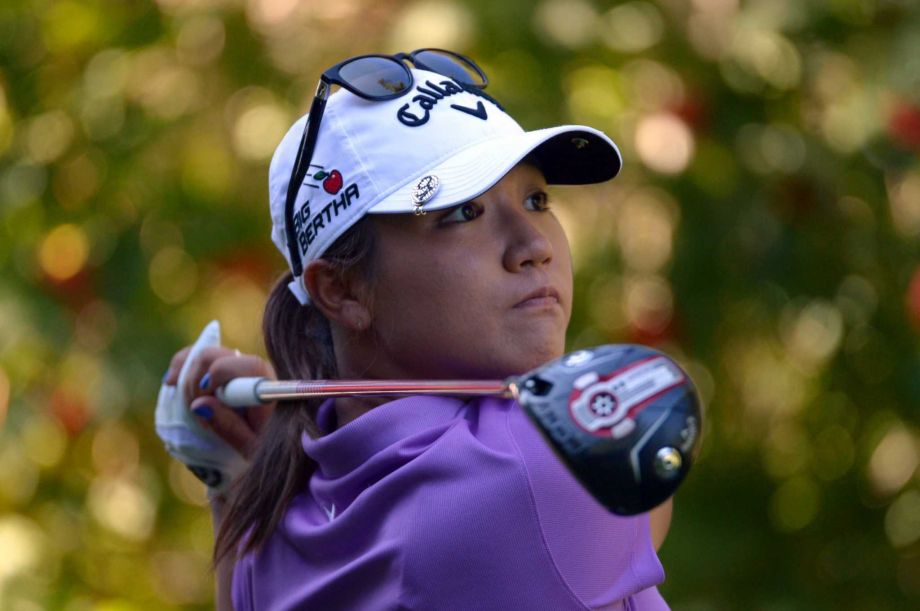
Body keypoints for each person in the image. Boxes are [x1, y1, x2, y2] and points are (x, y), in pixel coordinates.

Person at [159, 49, 674, 610]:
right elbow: (653, 408)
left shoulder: (274, 535)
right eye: (461, 213)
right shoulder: (531, 468)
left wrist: (235, 491)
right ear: (342, 290)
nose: (535, 246)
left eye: (536, 199)